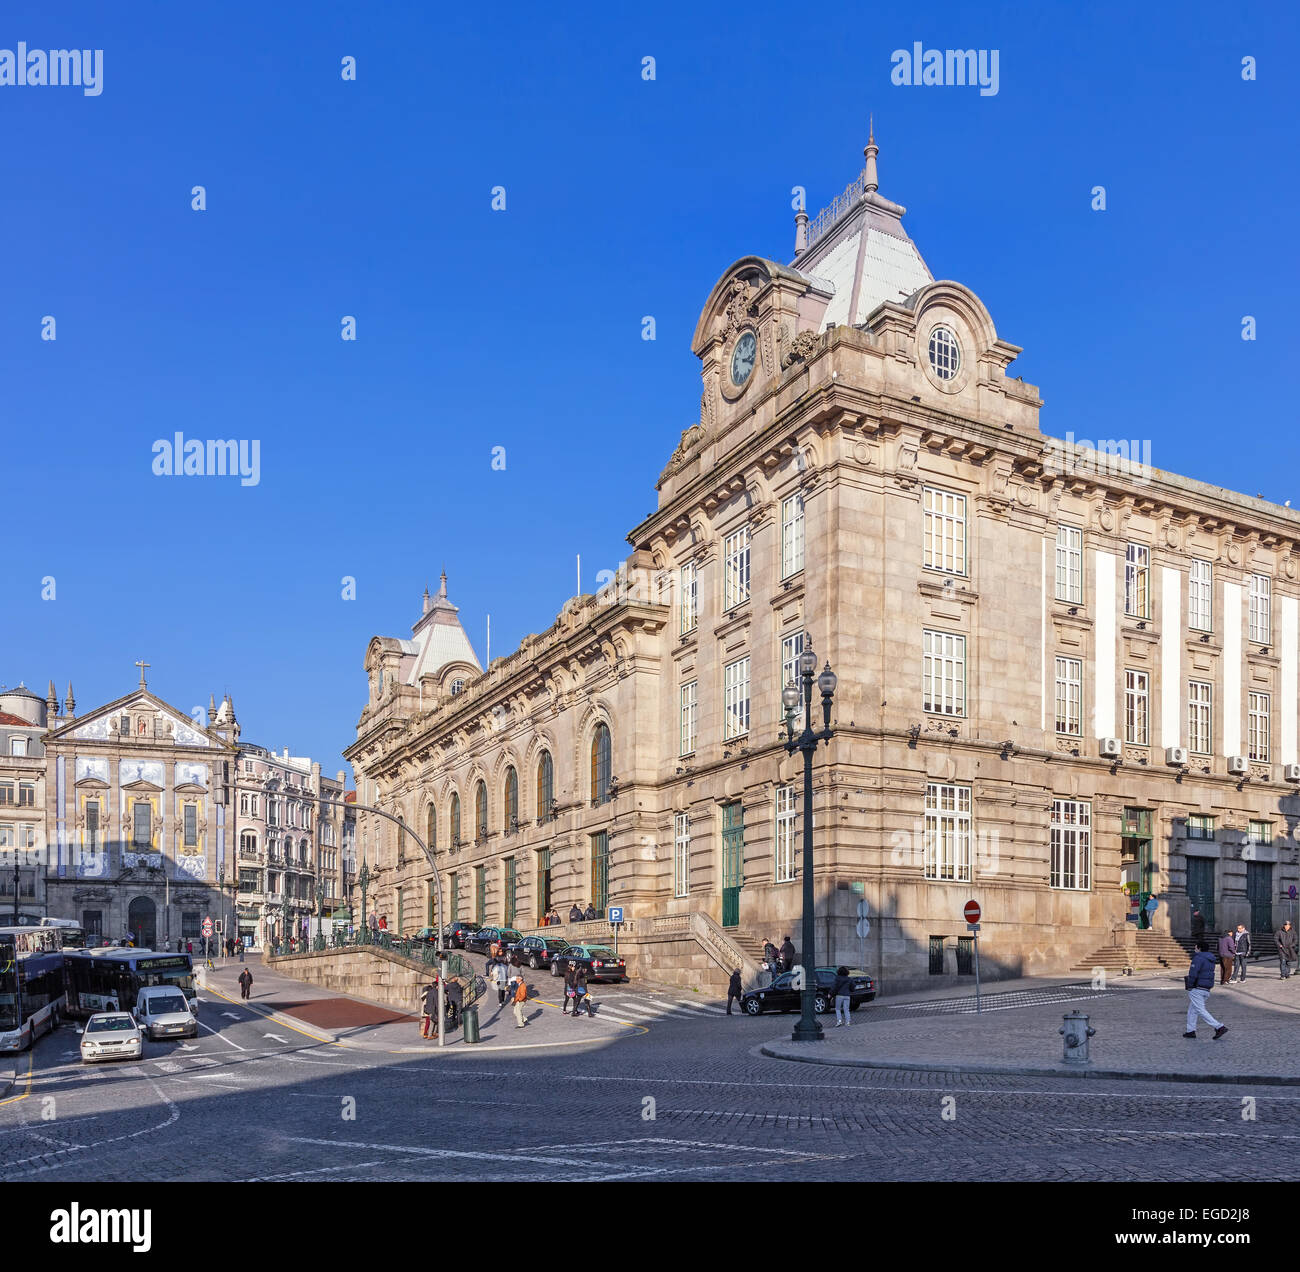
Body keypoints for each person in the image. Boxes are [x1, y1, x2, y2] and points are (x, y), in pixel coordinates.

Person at [1184, 938, 1228, 1039]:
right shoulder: (1210, 959)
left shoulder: (1198, 958)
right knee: (1192, 1010)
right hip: (1206, 987)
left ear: (1199, 948)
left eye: (1195, 947)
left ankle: (1219, 1027)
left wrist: (1190, 985)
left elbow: (1193, 973)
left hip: (1197, 987)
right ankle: (1190, 1031)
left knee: (1200, 1010)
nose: (1195, 949)